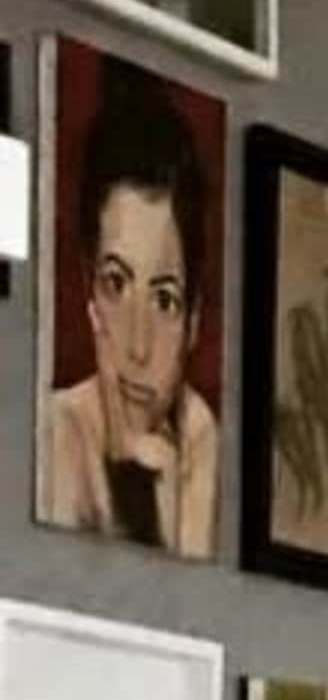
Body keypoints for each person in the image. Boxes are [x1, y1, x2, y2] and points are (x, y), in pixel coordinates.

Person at [39, 61, 221, 558]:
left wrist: (164, 519)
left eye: (165, 300)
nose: (137, 347)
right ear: (89, 294)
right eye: (116, 283)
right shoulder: (57, 433)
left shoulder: (203, 445)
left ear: (194, 321)